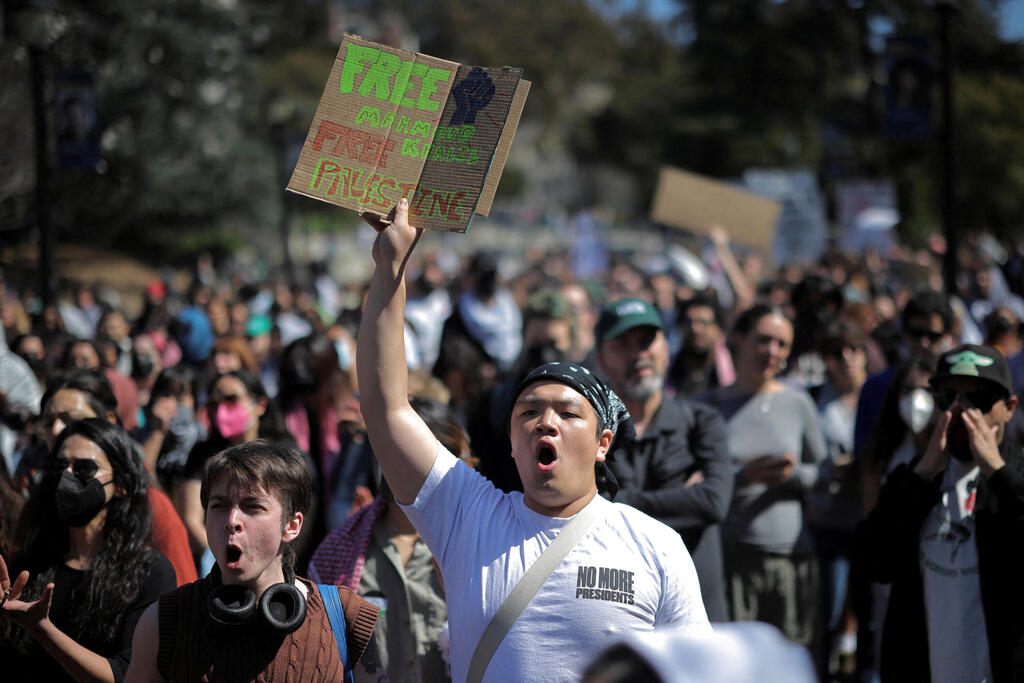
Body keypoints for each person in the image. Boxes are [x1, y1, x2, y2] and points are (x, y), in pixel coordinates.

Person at [357, 199, 710, 683]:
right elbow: (387, 409)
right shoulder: (466, 515)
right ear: (511, 442)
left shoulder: (656, 546)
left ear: (603, 442)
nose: (546, 422)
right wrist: (390, 269)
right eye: (529, 412)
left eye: (568, 413)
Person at [126, 440, 383, 682]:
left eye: (253, 506)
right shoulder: (163, 621)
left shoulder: (346, 616)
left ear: (291, 526)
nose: (232, 520)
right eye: (219, 505)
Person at [858, 344, 1024, 683]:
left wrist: (996, 470)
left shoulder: (1016, 479)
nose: (962, 412)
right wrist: (922, 474)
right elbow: (874, 560)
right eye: (949, 398)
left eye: (977, 400)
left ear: (1008, 408)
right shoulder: (914, 481)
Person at [0, 418, 177, 682]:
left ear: (122, 484)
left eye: (84, 468)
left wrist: (42, 629)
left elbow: (127, 674)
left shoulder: (149, 571)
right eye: (60, 467)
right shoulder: (31, 564)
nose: (67, 477)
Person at [310, 395, 471, 683]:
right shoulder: (340, 550)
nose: (395, 461)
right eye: (387, 446)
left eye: (411, 451)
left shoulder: (477, 544)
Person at [593, 297, 733, 622]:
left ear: (666, 349)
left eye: (646, 341)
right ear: (601, 358)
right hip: (621, 624)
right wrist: (683, 498)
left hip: (700, 622)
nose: (639, 353)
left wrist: (619, 504)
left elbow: (713, 501)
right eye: (623, 344)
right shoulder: (590, 436)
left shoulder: (701, 422)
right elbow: (588, 519)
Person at [698, 304, 827, 650]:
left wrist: (791, 475)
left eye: (782, 344)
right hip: (732, 559)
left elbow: (825, 473)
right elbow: (697, 480)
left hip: (790, 560)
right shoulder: (707, 407)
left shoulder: (798, 404)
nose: (773, 351)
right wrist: (742, 477)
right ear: (737, 340)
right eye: (764, 340)